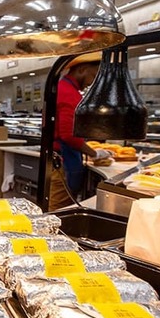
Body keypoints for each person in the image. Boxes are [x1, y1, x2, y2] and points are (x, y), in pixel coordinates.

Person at [49, 52, 112, 211]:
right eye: (93, 75)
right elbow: (68, 135)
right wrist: (94, 153)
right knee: (58, 208)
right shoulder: (69, 94)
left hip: (57, 158)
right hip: (61, 162)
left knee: (59, 205)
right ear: (82, 69)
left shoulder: (62, 88)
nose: (91, 82)